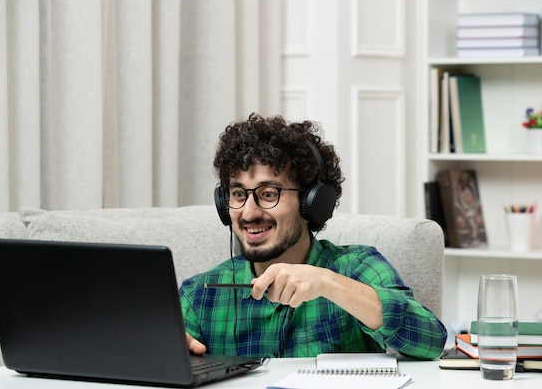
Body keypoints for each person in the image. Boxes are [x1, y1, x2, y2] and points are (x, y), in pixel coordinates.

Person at [179, 113, 447, 359]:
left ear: (312, 203)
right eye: (238, 194)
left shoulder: (357, 268)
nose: (248, 213)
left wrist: (327, 283)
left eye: (268, 194)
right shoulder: (199, 294)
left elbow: (431, 340)